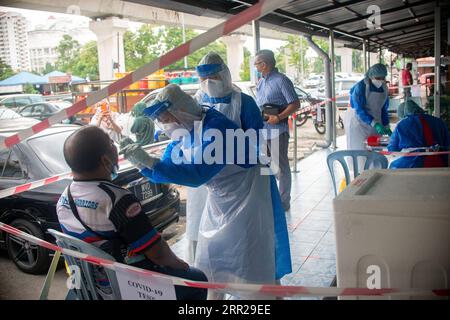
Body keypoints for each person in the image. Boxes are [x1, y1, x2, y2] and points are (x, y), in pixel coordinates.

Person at [120, 84, 292, 300]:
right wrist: (142, 163)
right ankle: (216, 296)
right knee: (212, 252)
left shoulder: (217, 128)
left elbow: (196, 175)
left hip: (249, 192)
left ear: (178, 112)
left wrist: (151, 164)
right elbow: (168, 163)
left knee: (252, 253)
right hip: (220, 195)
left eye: (165, 119)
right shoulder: (184, 128)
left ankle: (263, 298)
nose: (163, 126)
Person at [56, 126, 207, 300]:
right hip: (124, 287)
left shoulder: (63, 199)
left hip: (87, 284)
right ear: (105, 160)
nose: (115, 146)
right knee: (198, 280)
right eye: (111, 142)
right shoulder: (117, 200)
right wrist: (181, 265)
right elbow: (158, 254)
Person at [182, 52, 264, 264]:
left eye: (214, 78)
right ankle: (207, 273)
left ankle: (240, 271)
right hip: (203, 177)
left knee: (239, 232)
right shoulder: (194, 103)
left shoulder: (244, 103)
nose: (208, 84)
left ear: (225, 75)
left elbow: (255, 141)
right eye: (203, 79)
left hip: (239, 182)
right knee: (202, 227)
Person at [254, 49, 299, 212]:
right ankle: (269, 199)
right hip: (264, 129)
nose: (255, 66)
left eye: (256, 63)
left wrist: (279, 117)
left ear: (264, 64)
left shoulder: (281, 80)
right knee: (267, 166)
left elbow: (295, 104)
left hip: (277, 130)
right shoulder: (261, 82)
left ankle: (283, 202)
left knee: (281, 166)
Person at [388, 99, 449, 169]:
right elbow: (447, 144)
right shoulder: (439, 122)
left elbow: (392, 149)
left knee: (393, 166)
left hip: (413, 163)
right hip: (439, 163)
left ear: (404, 114)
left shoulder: (402, 124)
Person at [344, 63, 392, 151]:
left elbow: (383, 109)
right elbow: (359, 109)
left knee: (376, 150)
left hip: (376, 123)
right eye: (378, 78)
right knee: (360, 152)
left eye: (383, 78)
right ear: (371, 76)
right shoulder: (361, 87)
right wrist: (374, 123)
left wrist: (386, 125)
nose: (381, 80)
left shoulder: (384, 88)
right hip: (358, 123)